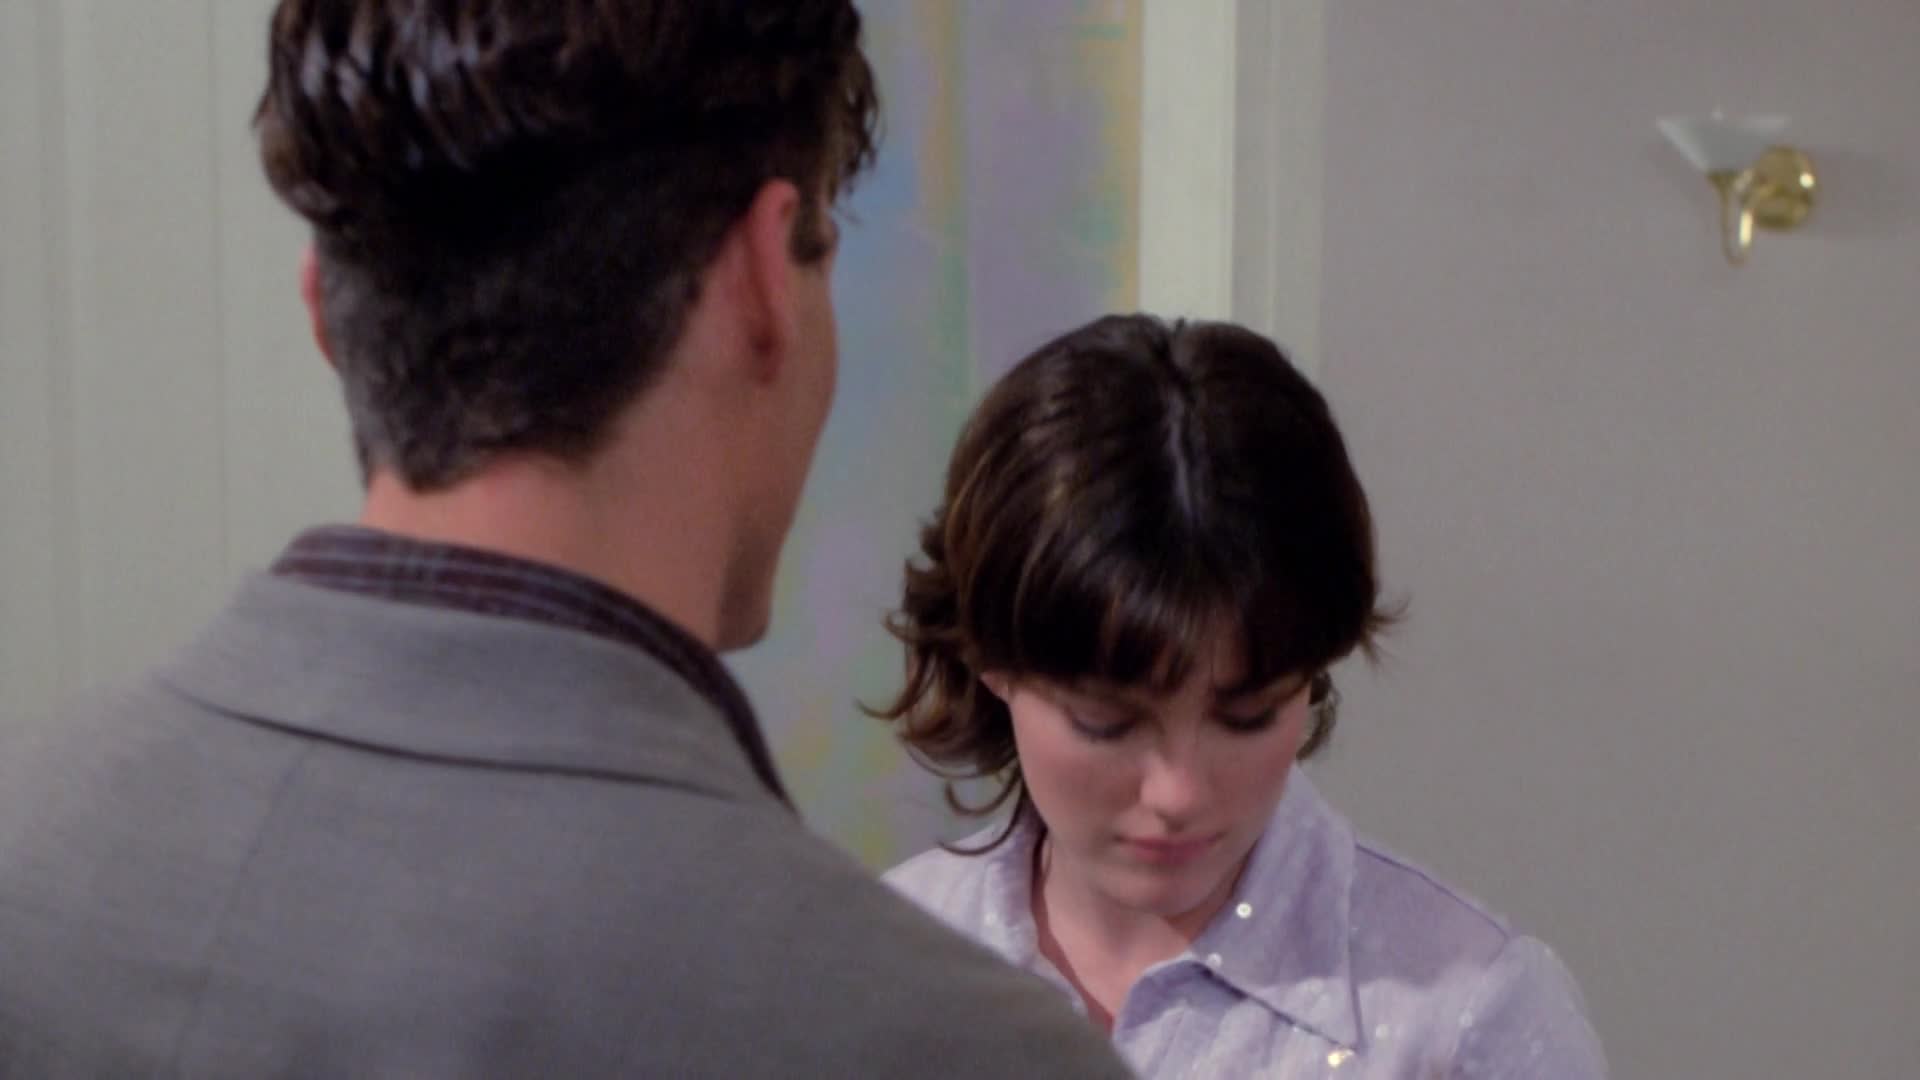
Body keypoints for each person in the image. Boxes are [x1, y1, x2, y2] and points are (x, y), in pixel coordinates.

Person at [0, 3, 1132, 1076]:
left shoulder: (31, 851)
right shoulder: (949, 1046)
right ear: (761, 282)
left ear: (325, 319)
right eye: (822, 253)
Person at [875, 314, 1608, 1077]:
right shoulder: (881, 971)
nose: (1178, 794)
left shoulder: (1467, 1019)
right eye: (1107, 723)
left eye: (1247, 717)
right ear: (989, 660)